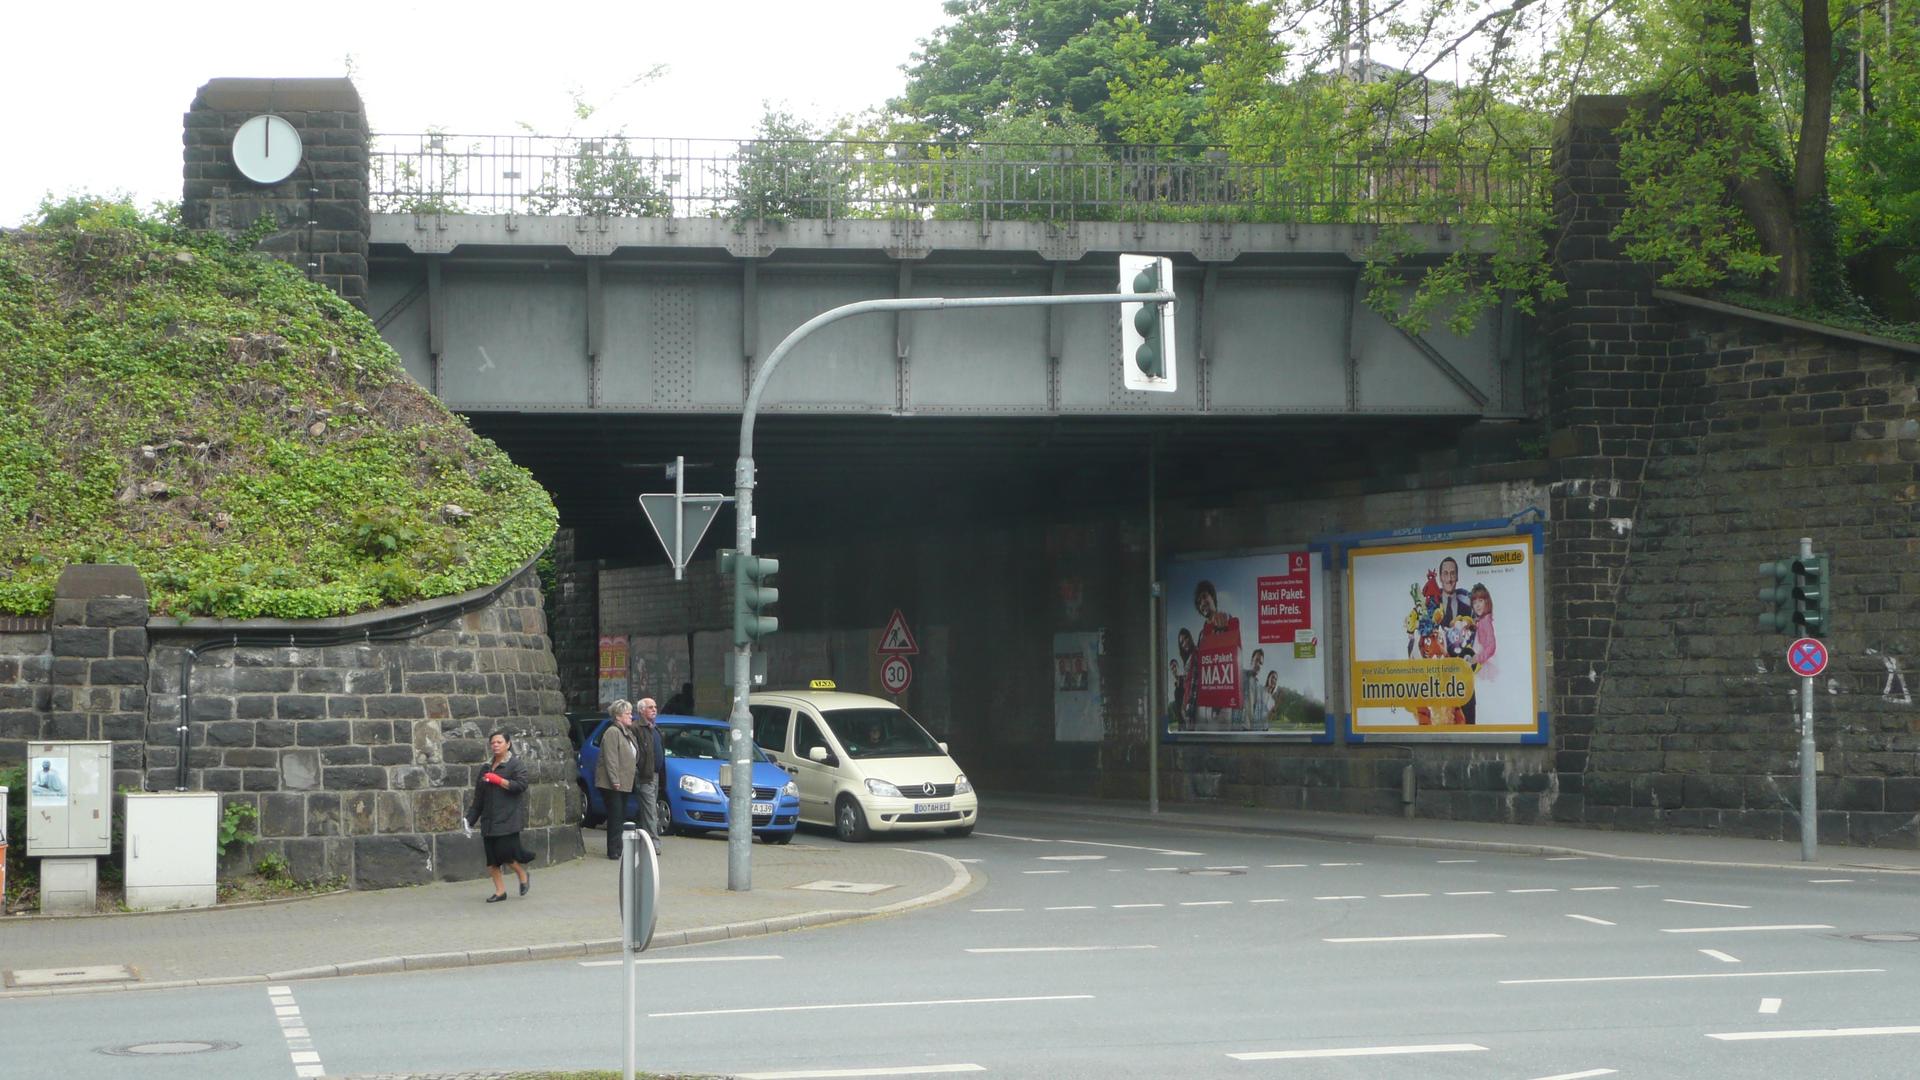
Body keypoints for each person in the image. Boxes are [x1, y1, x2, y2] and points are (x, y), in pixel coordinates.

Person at [466, 730, 532, 903]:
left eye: (499, 742)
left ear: (508, 744)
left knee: (504, 854)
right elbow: (479, 797)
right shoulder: (485, 767)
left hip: (508, 819)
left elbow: (521, 785)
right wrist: (470, 819)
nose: (495, 745)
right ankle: (500, 891)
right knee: (491, 860)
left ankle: (522, 874)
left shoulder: (515, 765)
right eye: (493, 743)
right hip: (489, 820)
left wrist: (498, 780)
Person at [593, 700, 641, 860]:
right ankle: (614, 850)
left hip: (625, 781)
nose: (631, 716)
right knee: (615, 815)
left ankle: (619, 847)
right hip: (613, 783)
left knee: (620, 815)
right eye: (628, 713)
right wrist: (615, 780)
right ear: (618, 716)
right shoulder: (612, 732)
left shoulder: (626, 732)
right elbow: (611, 758)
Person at [634, 697, 663, 843]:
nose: (654, 710)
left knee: (647, 809)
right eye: (650, 707)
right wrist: (638, 770)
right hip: (644, 775)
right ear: (641, 710)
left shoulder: (655, 728)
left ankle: (641, 840)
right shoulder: (636, 728)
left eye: (655, 707)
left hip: (655, 774)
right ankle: (653, 842)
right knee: (650, 810)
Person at [1469, 583, 1498, 683]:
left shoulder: (1485, 621)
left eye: (1480, 601)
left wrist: (1478, 658)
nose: (1477, 605)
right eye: (1474, 602)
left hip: (1484, 663)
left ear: (1487, 602)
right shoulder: (1481, 620)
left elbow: (1492, 646)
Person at [1242, 649, 1270, 731]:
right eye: (1256, 660)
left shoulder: (1259, 688)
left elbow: (1261, 711)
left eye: (1261, 663)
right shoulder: (1241, 675)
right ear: (1251, 661)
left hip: (1252, 731)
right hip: (1239, 728)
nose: (1258, 664)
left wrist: (1265, 727)